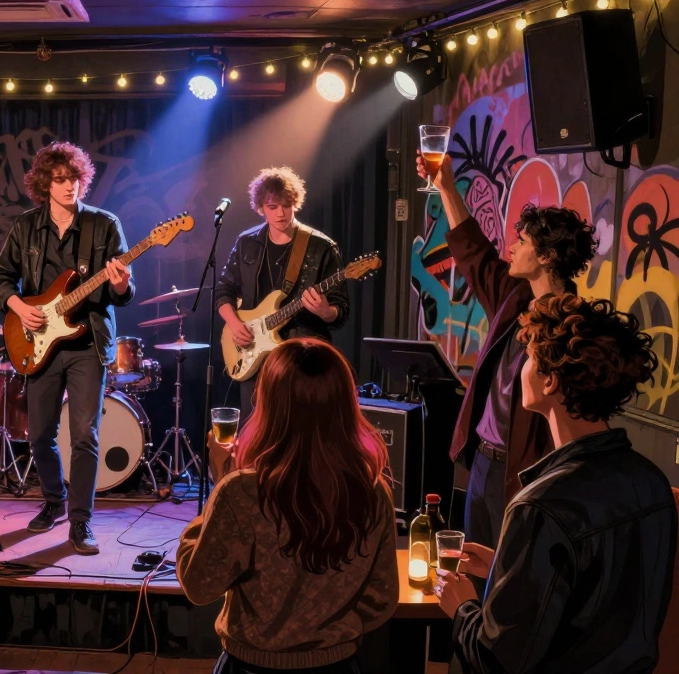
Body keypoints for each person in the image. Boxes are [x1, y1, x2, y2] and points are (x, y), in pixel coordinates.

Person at [436, 293, 676, 673]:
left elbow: (496, 661)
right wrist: (505, 565)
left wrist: (462, 605)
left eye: (528, 358)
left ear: (550, 382)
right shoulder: (653, 483)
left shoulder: (541, 506)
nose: (520, 370)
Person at [177, 338, 398, 674]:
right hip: (337, 665)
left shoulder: (241, 492)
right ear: (344, 405)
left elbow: (199, 585)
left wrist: (221, 479)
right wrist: (324, 627)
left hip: (250, 666)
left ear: (270, 404)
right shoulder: (373, 492)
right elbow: (381, 598)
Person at [417, 153, 597, 550]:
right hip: (482, 462)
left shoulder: (573, 327)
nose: (512, 247)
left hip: (522, 471)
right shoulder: (514, 297)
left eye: (523, 241)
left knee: (509, 578)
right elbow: (473, 251)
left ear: (547, 257)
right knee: (475, 564)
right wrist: (446, 185)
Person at [0, 140, 133, 554]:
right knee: (39, 437)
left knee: (85, 434)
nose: (69, 186)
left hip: (88, 343)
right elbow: (0, 277)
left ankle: (81, 522)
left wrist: (120, 282)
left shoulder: (105, 225)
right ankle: (54, 500)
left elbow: (124, 292)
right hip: (39, 341)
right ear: (44, 184)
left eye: (74, 178)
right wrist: (19, 307)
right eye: (60, 179)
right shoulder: (26, 226)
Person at [214, 166, 349, 424]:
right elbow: (224, 290)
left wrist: (324, 310)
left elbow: (341, 310)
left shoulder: (321, 246)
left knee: (299, 429)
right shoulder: (247, 242)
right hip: (253, 352)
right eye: (273, 206)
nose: (281, 213)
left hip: (301, 356)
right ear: (261, 208)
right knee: (255, 429)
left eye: (287, 205)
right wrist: (234, 323)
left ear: (295, 203)